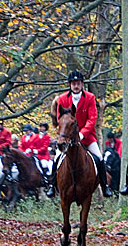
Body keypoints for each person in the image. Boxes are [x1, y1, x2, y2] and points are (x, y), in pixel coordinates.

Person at [46, 70, 113, 198]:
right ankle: (52, 186)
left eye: (78, 83)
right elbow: (61, 119)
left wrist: (82, 134)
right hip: (67, 138)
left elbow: (92, 118)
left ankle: (105, 187)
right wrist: (64, 135)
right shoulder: (62, 99)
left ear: (82, 84)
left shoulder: (90, 98)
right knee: (57, 159)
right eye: (73, 83)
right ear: (70, 85)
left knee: (99, 158)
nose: (76, 86)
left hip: (87, 137)